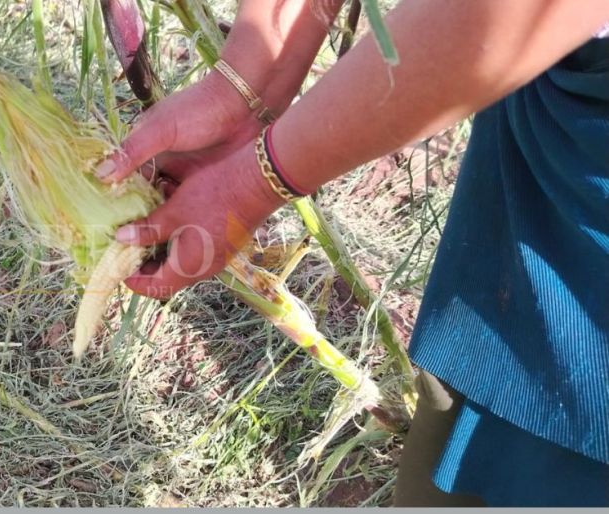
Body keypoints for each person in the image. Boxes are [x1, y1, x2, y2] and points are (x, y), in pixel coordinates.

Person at [93, 0, 609, 507]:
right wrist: (242, 93)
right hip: (551, 127)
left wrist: (247, 185)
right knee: (465, 414)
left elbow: (510, 14)